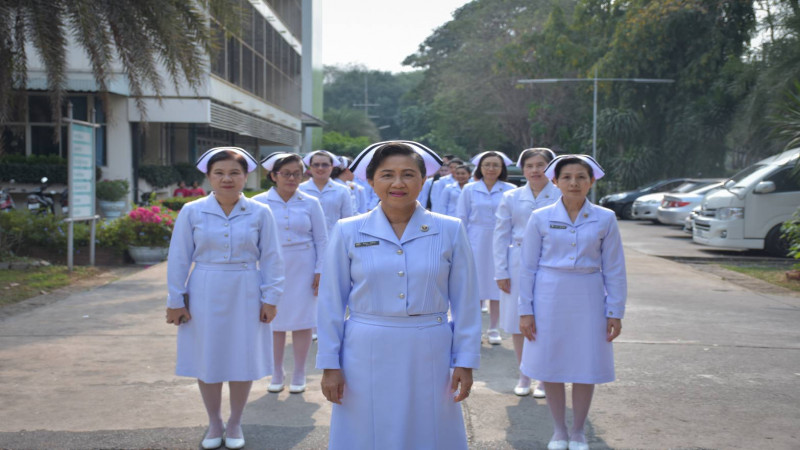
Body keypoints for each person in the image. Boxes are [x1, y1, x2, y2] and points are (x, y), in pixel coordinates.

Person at [317, 141, 481, 450]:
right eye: (387, 174)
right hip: (364, 349)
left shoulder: (449, 229)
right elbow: (330, 303)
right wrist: (330, 365)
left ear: (423, 180)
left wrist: (465, 360)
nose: (397, 183)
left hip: (429, 348)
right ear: (371, 180)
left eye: (408, 174)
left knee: (428, 429)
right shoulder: (348, 230)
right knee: (366, 430)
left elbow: (467, 301)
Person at [166, 147, 285, 450]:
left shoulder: (260, 212)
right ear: (208, 176)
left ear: (246, 176)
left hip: (246, 287)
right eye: (219, 173)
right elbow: (179, 258)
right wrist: (176, 299)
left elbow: (272, 257)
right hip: (204, 288)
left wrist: (271, 298)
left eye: (234, 172)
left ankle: (235, 421)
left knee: (241, 357)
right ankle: (214, 421)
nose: (227, 179)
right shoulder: (192, 211)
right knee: (208, 357)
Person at [518, 155, 626, 450]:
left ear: (592, 181)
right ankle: (558, 431)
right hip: (548, 295)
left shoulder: (605, 218)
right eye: (567, 177)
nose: (574, 183)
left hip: (589, 296)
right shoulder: (540, 217)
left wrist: (614, 311)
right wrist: (525, 311)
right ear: (555, 181)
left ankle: (578, 431)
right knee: (551, 363)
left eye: (581, 177)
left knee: (584, 363)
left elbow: (614, 267)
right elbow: (527, 267)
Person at [253, 152, 328, 395]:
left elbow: (321, 239)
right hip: (271, 265)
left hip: (304, 264)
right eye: (286, 173)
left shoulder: (309, 202)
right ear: (273, 176)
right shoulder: (259, 202)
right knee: (274, 321)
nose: (292, 178)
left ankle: (299, 372)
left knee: (303, 322)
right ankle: (276, 371)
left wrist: (320, 270)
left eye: (296, 173)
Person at [493, 148, 560, 398]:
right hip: (517, 260)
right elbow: (500, 234)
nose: (535, 170)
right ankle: (524, 374)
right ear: (523, 169)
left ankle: (544, 377)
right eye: (529, 165)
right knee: (518, 321)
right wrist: (501, 270)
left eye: (540, 165)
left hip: (551, 260)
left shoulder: (559, 194)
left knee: (546, 320)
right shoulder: (511, 197)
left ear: (550, 168)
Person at [457, 151, 516, 344]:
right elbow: (462, 218)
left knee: (497, 285)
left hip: (502, 242)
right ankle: (475, 330)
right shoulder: (470, 189)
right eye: (487, 165)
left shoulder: (510, 190)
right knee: (475, 287)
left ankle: (493, 328)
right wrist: (460, 245)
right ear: (480, 168)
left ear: (502, 169)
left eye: (495, 165)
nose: (491, 169)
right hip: (475, 240)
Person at [299, 150, 354, 232]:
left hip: (334, 240)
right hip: (307, 241)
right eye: (316, 165)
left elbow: (348, 220)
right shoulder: (300, 189)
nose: (320, 168)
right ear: (310, 167)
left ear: (332, 167)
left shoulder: (342, 190)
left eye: (325, 165)